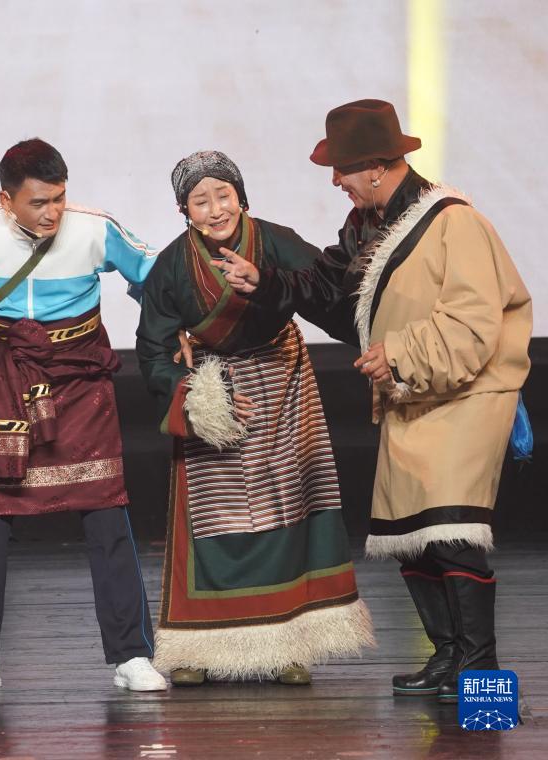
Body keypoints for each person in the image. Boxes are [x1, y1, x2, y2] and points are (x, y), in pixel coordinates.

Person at [215, 100, 532, 702]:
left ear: (377, 166)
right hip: (412, 395)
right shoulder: (367, 224)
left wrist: (400, 353)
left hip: (466, 392)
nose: (336, 180)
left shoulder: (453, 222)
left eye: (342, 168)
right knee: (411, 531)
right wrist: (267, 283)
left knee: (453, 529)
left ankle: (481, 674)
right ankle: (449, 657)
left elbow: (473, 322)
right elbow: (334, 294)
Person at [136, 150, 374, 687]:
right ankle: (197, 644)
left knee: (289, 507)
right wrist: (198, 397)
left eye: (224, 195)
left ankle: (290, 642)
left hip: (282, 381)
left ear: (242, 197)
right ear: (184, 210)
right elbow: (152, 346)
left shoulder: (276, 241)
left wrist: (379, 340)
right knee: (216, 518)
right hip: (215, 388)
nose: (215, 209)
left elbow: (328, 294)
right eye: (200, 201)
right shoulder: (173, 266)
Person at [0, 138, 166, 694]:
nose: (52, 212)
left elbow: (156, 278)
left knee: (105, 512)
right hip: (3, 381)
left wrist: (173, 332)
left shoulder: (95, 229)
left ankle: (132, 655)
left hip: (79, 383)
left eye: (59, 198)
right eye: (38, 202)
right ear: (5, 199)